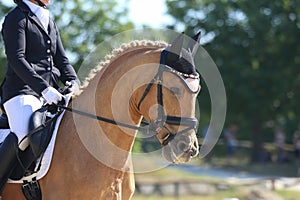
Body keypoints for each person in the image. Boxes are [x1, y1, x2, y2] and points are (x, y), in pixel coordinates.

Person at [0, 0, 78, 193]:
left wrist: (75, 82)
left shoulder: (48, 19)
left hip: (51, 92)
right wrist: (44, 89)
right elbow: (17, 59)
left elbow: (62, 60)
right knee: (22, 132)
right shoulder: (15, 18)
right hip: (21, 92)